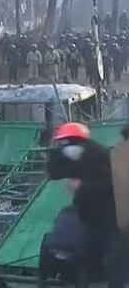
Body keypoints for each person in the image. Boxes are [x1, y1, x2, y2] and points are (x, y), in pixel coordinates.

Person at [46, 123, 126, 288]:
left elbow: (109, 184)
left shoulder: (99, 155)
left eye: (66, 142)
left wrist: (81, 187)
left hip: (109, 215)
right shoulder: (75, 155)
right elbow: (54, 172)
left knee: (113, 258)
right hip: (89, 214)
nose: (63, 146)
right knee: (85, 254)